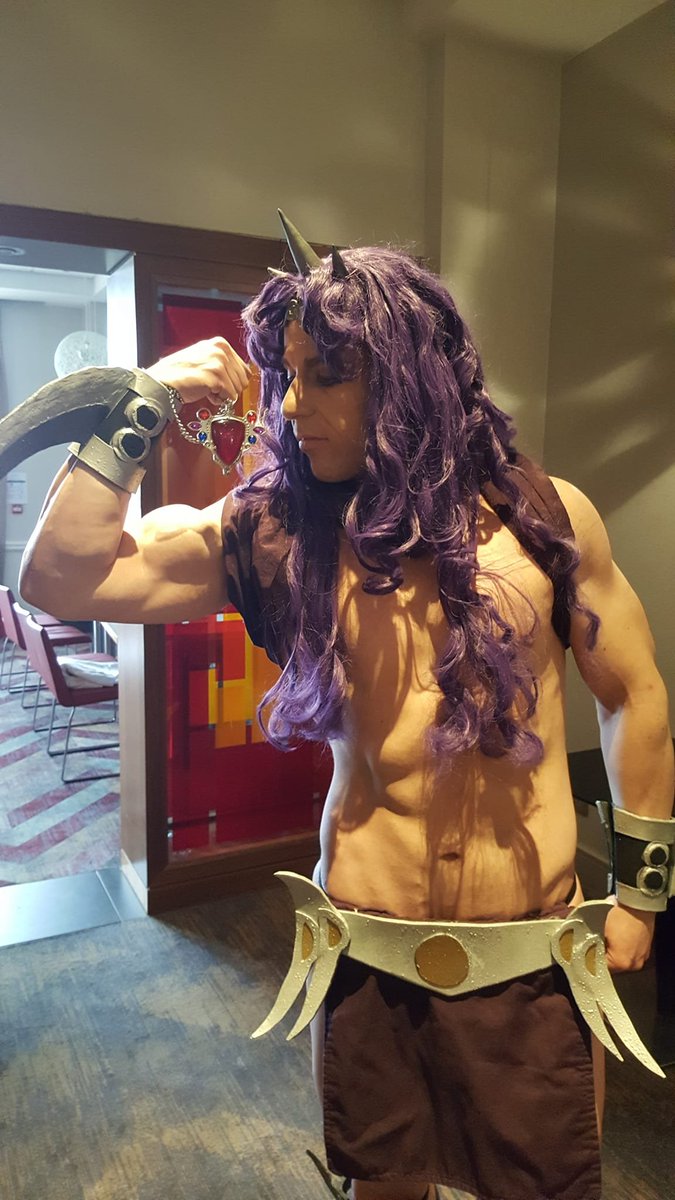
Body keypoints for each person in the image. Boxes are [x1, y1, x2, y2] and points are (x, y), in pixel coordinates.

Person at [17, 216, 674, 1200]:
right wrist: (137, 403)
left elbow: (634, 692)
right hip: (368, 949)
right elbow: (61, 578)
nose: (293, 403)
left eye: (327, 375)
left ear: (409, 377)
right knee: (383, 1187)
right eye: (287, 375)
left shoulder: (543, 517)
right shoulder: (277, 532)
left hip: (532, 956)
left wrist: (641, 891)